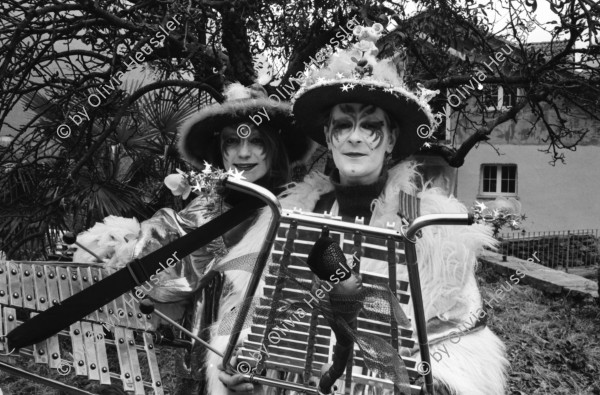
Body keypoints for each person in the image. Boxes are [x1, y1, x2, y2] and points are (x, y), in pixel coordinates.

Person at [210, 24, 508, 395]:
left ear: (392, 139)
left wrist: (437, 384)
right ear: (329, 136)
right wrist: (240, 360)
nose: (354, 136)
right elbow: (244, 312)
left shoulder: (432, 228)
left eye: (370, 125)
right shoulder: (285, 217)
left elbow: (459, 328)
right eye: (342, 124)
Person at [72, 82, 313, 391]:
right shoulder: (204, 207)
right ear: (220, 150)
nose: (243, 153)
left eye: (256, 141)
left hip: (261, 372)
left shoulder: (295, 212)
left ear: (274, 147)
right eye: (231, 142)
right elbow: (166, 270)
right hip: (197, 365)